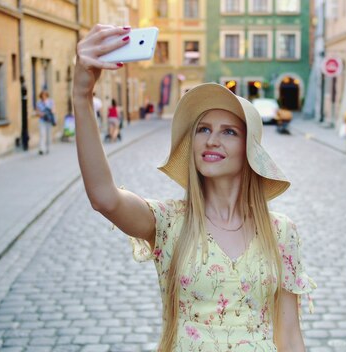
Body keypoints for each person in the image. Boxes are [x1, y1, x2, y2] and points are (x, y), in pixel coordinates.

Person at [73, 25, 315, 351]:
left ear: (250, 151)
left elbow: (289, 334)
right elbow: (104, 198)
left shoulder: (281, 232)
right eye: (203, 129)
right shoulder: (169, 221)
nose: (212, 139)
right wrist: (82, 96)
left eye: (229, 131)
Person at [36, 90, 54, 155]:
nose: (43, 97)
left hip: (49, 120)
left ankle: (48, 147)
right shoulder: (38, 103)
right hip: (42, 120)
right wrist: (41, 114)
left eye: (45, 95)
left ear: (47, 95)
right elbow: (37, 112)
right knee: (42, 134)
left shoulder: (50, 101)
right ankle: (41, 149)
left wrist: (49, 111)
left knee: (48, 134)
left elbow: (53, 110)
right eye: (42, 95)